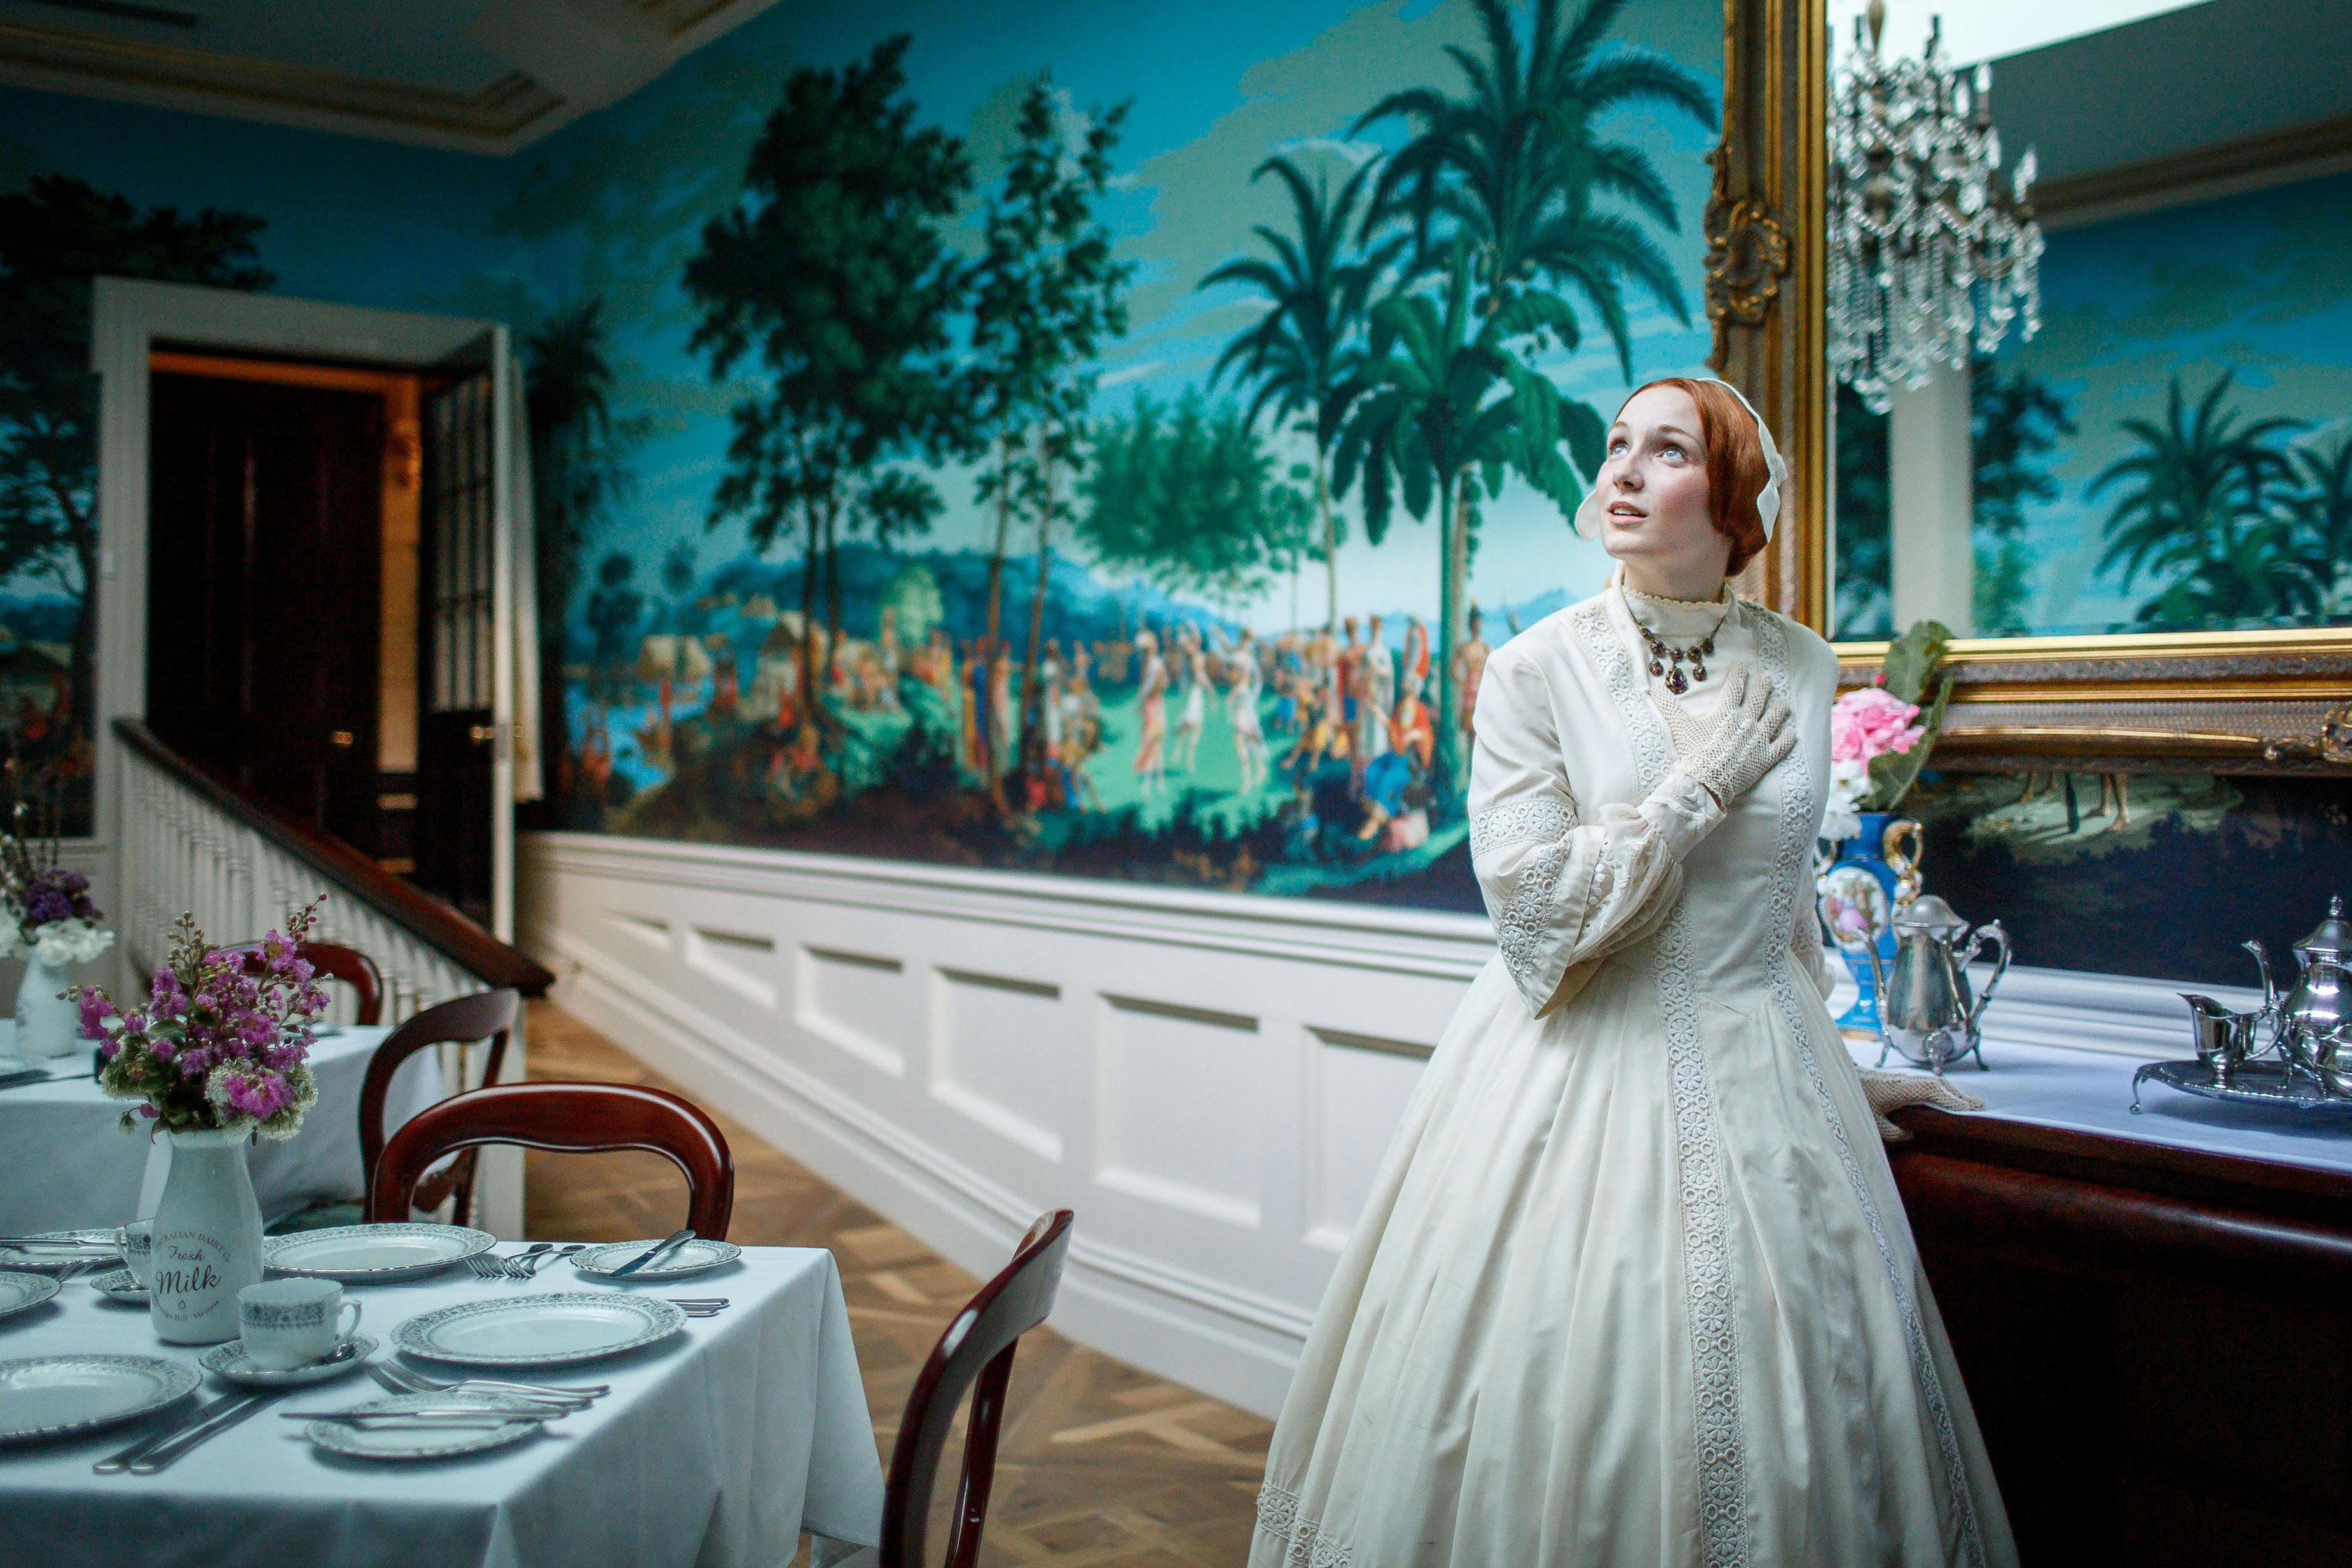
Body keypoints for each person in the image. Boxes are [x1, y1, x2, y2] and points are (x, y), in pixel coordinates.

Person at [1250, 377, 2014, 1568]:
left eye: (1665, 450)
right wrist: (1691, 793)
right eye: (1616, 447)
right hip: (1578, 1075)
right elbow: (1536, 917)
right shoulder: (1534, 669)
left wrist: (1845, 1073)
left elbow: (1785, 899)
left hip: (1778, 1089)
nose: (1622, 470)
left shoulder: (1804, 666)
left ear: (1735, 497)